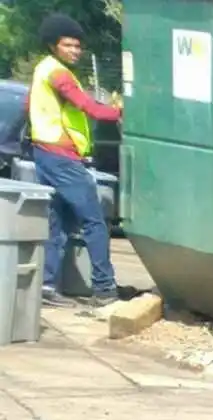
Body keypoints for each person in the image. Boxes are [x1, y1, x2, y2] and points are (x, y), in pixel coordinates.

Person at [28, 14, 122, 309]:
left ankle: (46, 285)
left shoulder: (43, 70)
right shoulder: (58, 73)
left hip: (44, 154)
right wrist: (118, 111)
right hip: (61, 158)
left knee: (57, 223)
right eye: (67, 45)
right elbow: (87, 106)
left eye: (78, 46)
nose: (74, 51)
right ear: (53, 45)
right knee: (94, 221)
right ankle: (104, 288)